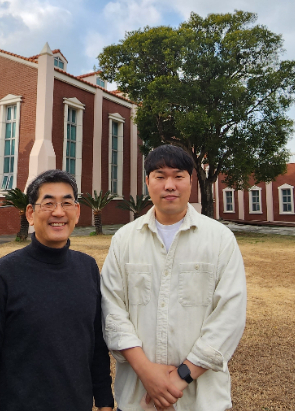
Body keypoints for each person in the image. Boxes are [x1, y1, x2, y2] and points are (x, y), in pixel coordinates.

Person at [101, 145, 247, 411]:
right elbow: (112, 310)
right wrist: (147, 372)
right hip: (137, 397)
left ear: (191, 181)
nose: (170, 185)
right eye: (160, 176)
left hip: (201, 400)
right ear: (147, 182)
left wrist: (181, 377)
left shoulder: (219, 239)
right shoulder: (124, 240)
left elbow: (230, 315)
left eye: (178, 176)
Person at [0, 169, 114, 411]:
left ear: (76, 212)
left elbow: (96, 344)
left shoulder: (87, 268)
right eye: (48, 203)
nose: (58, 212)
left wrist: (105, 401)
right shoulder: (0, 278)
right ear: (31, 214)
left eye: (66, 203)